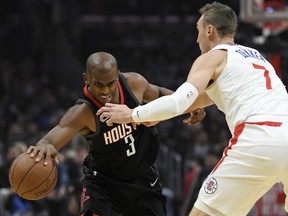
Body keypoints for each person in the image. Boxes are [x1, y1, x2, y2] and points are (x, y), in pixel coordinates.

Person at [97, 2, 288, 216]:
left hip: (258, 138)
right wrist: (155, 115)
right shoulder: (256, 57)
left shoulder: (213, 57)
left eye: (198, 31)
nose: (197, 39)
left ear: (209, 30)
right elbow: (195, 101)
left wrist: (132, 114)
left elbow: (180, 101)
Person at [27, 51, 206, 216]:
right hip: (104, 185)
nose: (105, 91)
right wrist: (45, 147)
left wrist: (187, 105)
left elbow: (159, 93)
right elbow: (50, 139)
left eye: (110, 83)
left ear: (117, 75)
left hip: (143, 179)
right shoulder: (83, 112)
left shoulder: (134, 83)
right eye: (98, 84)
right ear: (86, 78)